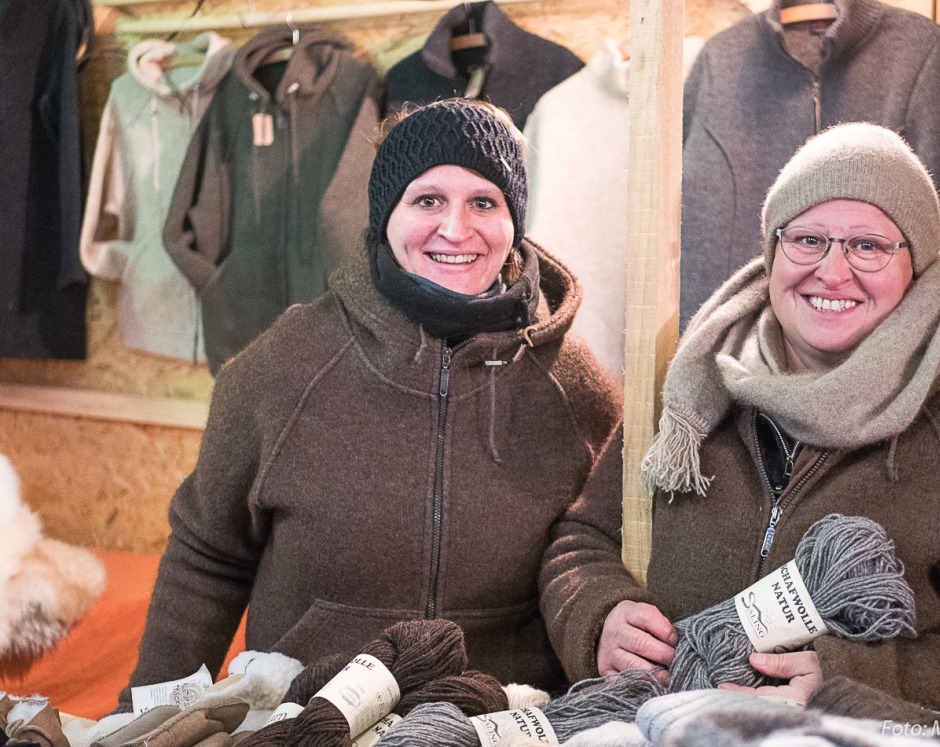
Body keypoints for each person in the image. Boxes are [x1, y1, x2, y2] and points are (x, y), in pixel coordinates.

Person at [540, 123, 940, 724]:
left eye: (868, 246)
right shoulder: (695, 386)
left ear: (918, 266)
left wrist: (861, 679)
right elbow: (579, 539)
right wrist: (599, 616)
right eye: (807, 239)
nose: (832, 271)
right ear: (773, 252)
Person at [119, 99, 622, 706]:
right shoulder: (284, 368)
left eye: (483, 203)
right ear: (386, 212)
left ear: (514, 218)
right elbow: (206, 559)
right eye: (427, 200)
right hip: (311, 723)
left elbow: (595, 552)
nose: (456, 230)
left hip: (500, 723)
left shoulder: (576, 387)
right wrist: (140, 721)